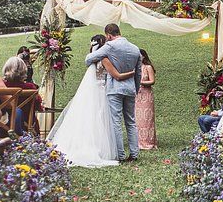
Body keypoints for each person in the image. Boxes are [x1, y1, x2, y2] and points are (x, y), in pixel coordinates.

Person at [48, 35, 135, 167]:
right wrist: (131, 73)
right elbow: (116, 75)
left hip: (96, 90)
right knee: (102, 120)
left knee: (92, 119)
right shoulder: (104, 59)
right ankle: (102, 148)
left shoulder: (93, 60)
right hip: (103, 91)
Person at [85, 24, 143, 162]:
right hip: (130, 89)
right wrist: (135, 87)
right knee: (131, 122)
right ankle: (134, 153)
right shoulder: (135, 49)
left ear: (109, 35)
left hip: (114, 89)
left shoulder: (110, 46)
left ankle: (120, 155)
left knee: (115, 122)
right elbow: (139, 72)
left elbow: (89, 59)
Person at [136, 48, 157, 150]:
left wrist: (141, 82)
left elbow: (152, 81)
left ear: (144, 56)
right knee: (138, 118)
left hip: (146, 94)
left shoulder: (148, 67)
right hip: (137, 95)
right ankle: (138, 141)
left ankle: (148, 141)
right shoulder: (135, 68)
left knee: (147, 118)